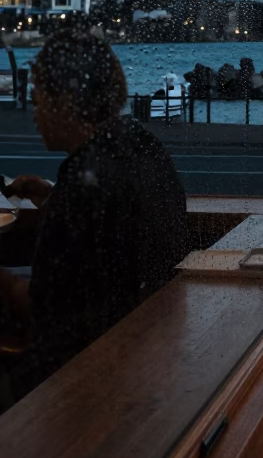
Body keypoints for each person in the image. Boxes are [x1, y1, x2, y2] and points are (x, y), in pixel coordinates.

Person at [0, 30, 189, 398]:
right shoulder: (139, 143)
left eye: (39, 100)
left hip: (85, 376)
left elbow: (45, 310)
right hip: (143, 341)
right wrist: (54, 200)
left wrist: (3, 283)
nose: (35, 112)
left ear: (66, 102)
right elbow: (113, 235)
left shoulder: (86, 178)